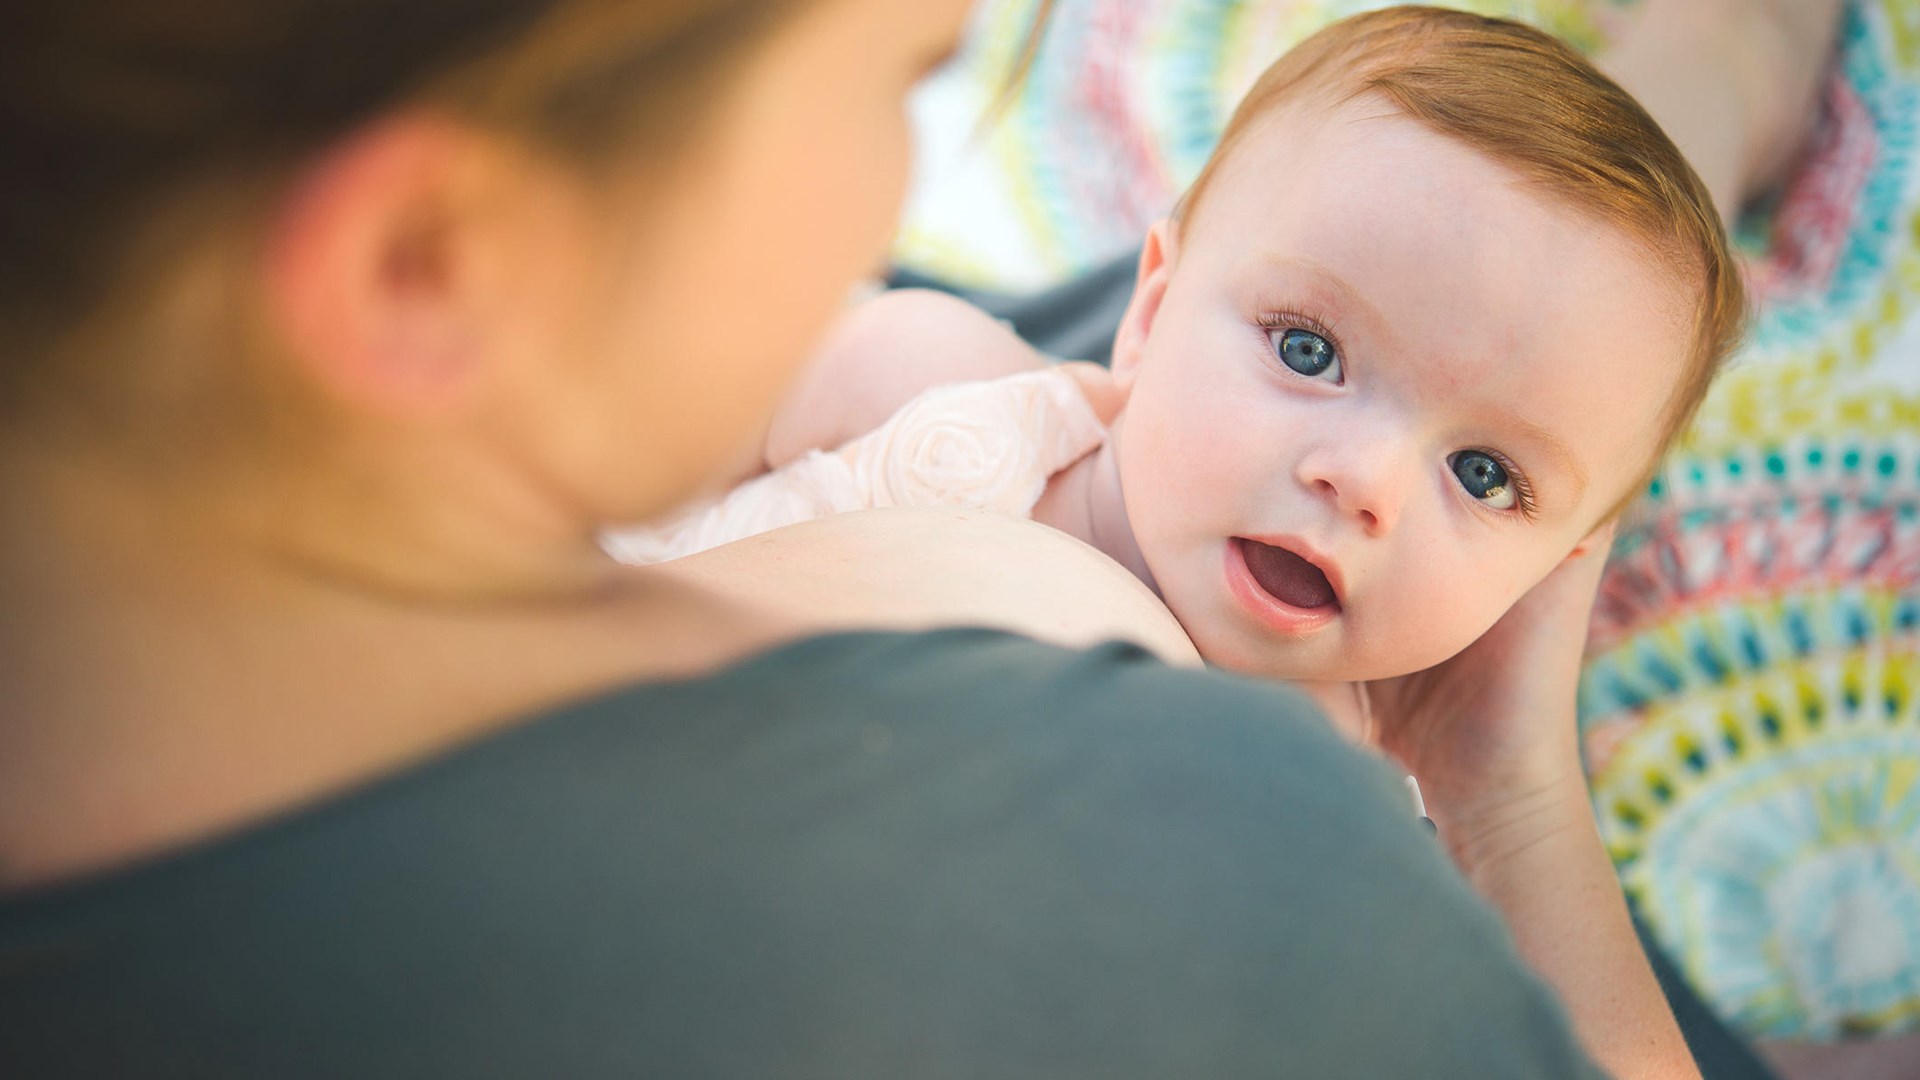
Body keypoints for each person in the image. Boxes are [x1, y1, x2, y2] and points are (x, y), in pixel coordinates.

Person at [0, 0, 1720, 1076]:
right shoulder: (1267, 845)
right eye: (901, 77)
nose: (1363, 477)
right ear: (427, 265)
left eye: (1492, 482)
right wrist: (1511, 799)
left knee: (1523, 265)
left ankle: (1711, 76)